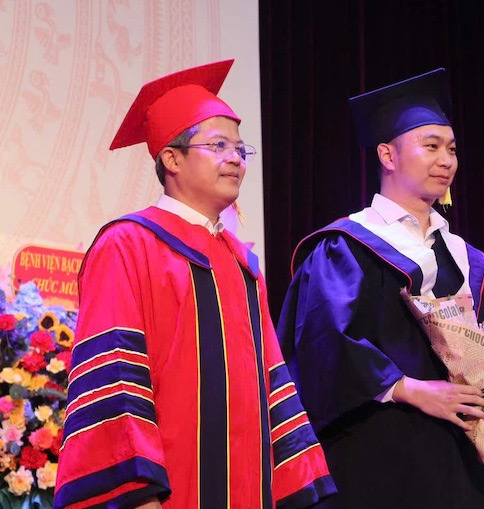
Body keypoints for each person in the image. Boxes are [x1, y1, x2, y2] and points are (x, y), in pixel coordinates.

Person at [54, 61, 335, 509]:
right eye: (218, 145)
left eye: (240, 149)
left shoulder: (242, 264)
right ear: (172, 159)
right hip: (166, 493)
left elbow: (273, 388)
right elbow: (115, 381)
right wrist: (139, 496)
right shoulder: (128, 244)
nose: (235, 159)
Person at [276, 68, 484, 509]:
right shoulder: (345, 246)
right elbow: (323, 344)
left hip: (463, 461)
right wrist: (409, 388)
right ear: (387, 155)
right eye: (431, 146)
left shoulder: (466, 256)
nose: (446, 160)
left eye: (452, 149)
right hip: (380, 454)